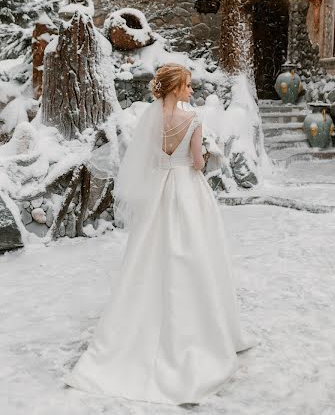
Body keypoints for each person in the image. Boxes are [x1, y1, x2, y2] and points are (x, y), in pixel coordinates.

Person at [63, 63, 257, 406]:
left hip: (159, 194)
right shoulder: (193, 119)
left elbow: (148, 162)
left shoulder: (151, 120)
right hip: (187, 190)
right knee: (195, 255)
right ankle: (199, 329)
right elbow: (197, 163)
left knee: (150, 255)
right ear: (174, 87)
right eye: (187, 85)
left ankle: (142, 321)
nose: (191, 90)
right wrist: (210, 154)